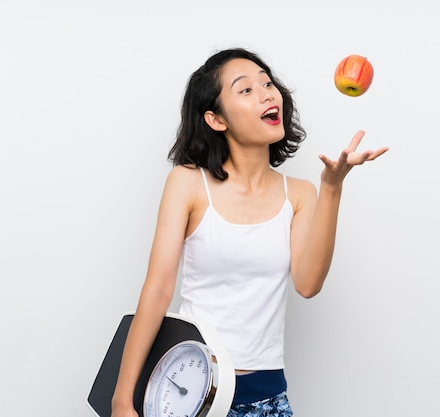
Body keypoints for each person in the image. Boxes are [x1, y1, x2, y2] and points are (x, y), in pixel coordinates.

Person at [110, 47, 388, 417]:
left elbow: (307, 284)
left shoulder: (301, 193)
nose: (267, 93)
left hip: (266, 394)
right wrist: (122, 399)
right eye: (245, 90)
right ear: (216, 119)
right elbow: (158, 290)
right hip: (187, 392)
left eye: (268, 83)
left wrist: (332, 187)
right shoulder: (188, 184)